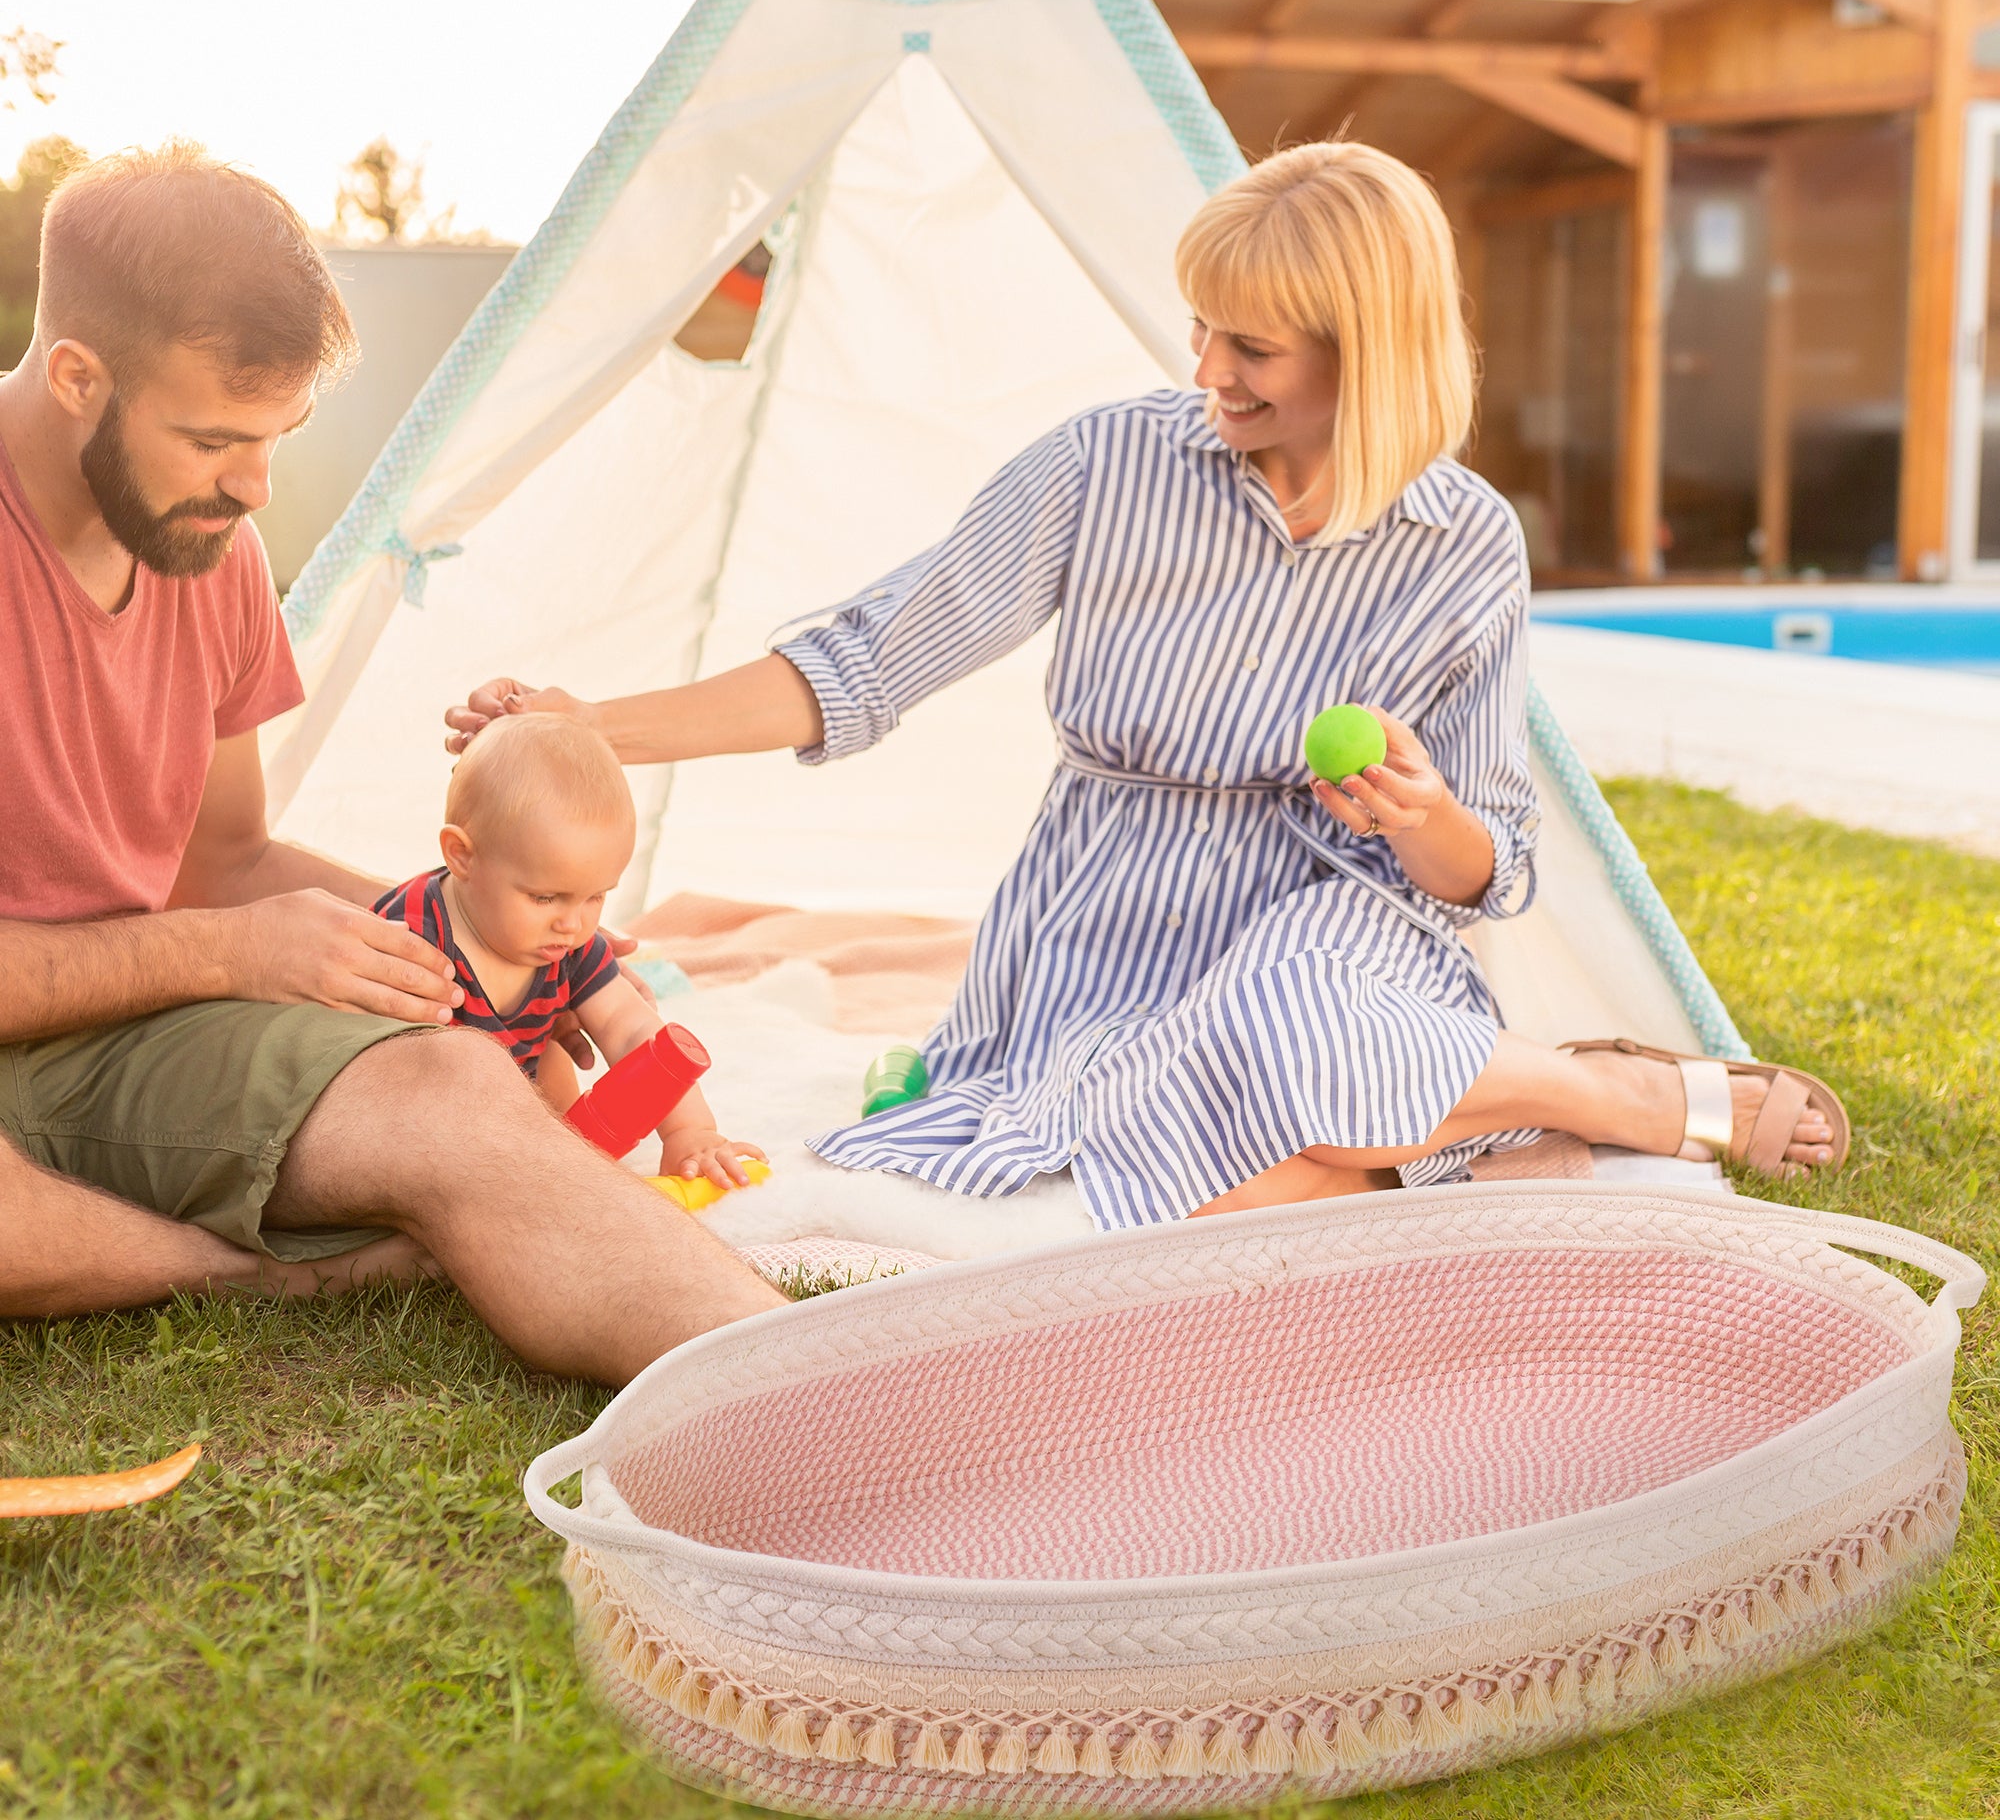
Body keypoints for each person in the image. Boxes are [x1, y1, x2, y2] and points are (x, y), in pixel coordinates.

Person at [447, 141, 1846, 1227]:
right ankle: (1474, 1124)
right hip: (1108, 919)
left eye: (1251, 349)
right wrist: (585, 726)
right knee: (1188, 1184)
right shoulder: (1104, 466)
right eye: (1201, 332)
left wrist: (1416, 812)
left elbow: (1491, 869)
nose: (1207, 373)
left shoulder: (1466, 541)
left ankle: (1626, 1099)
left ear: (1367, 354)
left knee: (1289, 1030)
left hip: (1335, 918)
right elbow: (861, 665)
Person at [0, 144, 782, 1382]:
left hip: (127, 1044)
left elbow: (228, 858)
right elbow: (218, 924)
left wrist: (472, 932)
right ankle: (258, 1270)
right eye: (214, 439)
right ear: (80, 377)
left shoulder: (212, 552)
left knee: (458, 1084)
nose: (255, 488)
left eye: (279, 435)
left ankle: (811, 1395)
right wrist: (220, 950)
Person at [375, 712, 760, 1190]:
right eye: (544, 897)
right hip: (415, 1116)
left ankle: (551, 1161)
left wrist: (691, 1131)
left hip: (511, 1098)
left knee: (552, 1064)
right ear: (462, 856)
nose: (573, 923)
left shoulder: (568, 944)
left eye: (596, 896)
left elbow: (631, 1028)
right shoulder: (406, 940)